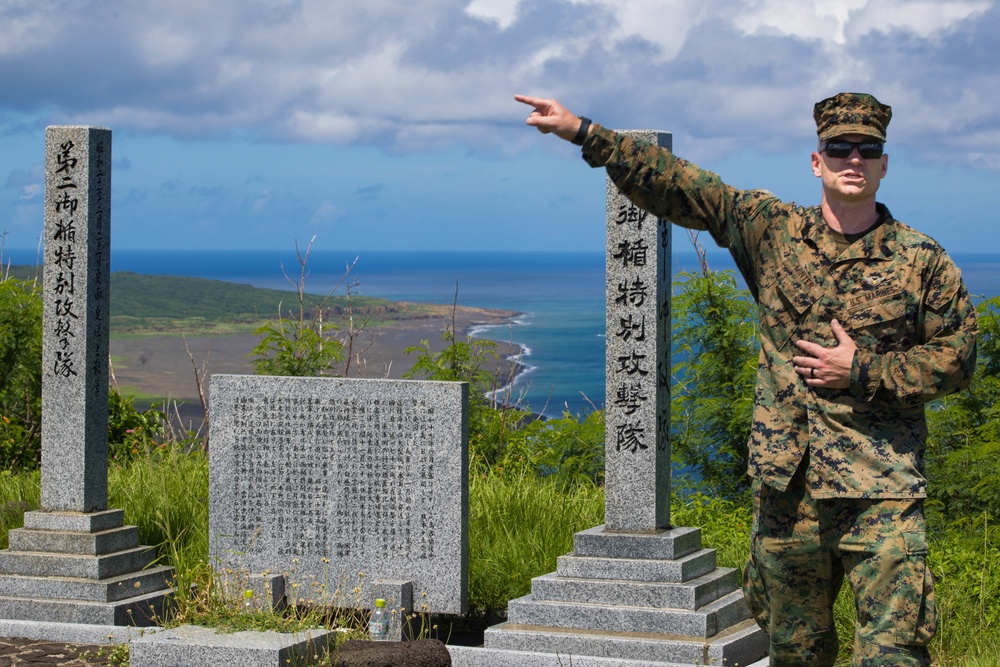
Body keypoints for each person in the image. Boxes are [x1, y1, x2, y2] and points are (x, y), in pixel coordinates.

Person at [514, 92, 978, 666]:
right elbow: (685, 186)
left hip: (880, 490)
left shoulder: (921, 259)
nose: (852, 160)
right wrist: (585, 131)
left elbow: (958, 357)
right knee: (793, 651)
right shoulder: (773, 231)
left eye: (867, 149)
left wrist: (861, 370)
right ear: (817, 161)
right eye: (839, 148)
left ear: (885, 163)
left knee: (894, 653)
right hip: (787, 490)